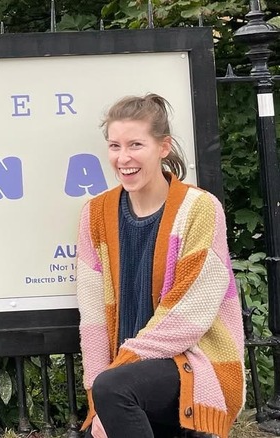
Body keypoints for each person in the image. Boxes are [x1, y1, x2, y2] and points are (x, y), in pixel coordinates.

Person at [75, 94, 245, 438]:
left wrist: (117, 373)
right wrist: (97, 396)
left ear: (163, 147)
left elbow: (189, 314)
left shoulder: (199, 208)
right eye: (114, 146)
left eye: (136, 144)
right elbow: (92, 317)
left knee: (115, 388)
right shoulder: (95, 214)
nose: (123, 158)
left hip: (190, 364)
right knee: (111, 392)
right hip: (128, 380)